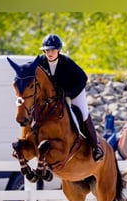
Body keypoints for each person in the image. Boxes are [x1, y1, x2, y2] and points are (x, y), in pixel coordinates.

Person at [38, 34, 104, 162]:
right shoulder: (40, 61)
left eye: (53, 50)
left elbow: (82, 78)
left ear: (59, 50)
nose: (50, 53)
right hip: (54, 97)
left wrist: (68, 93)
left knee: (83, 113)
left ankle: (96, 147)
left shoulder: (67, 62)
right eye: (47, 50)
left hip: (73, 91)